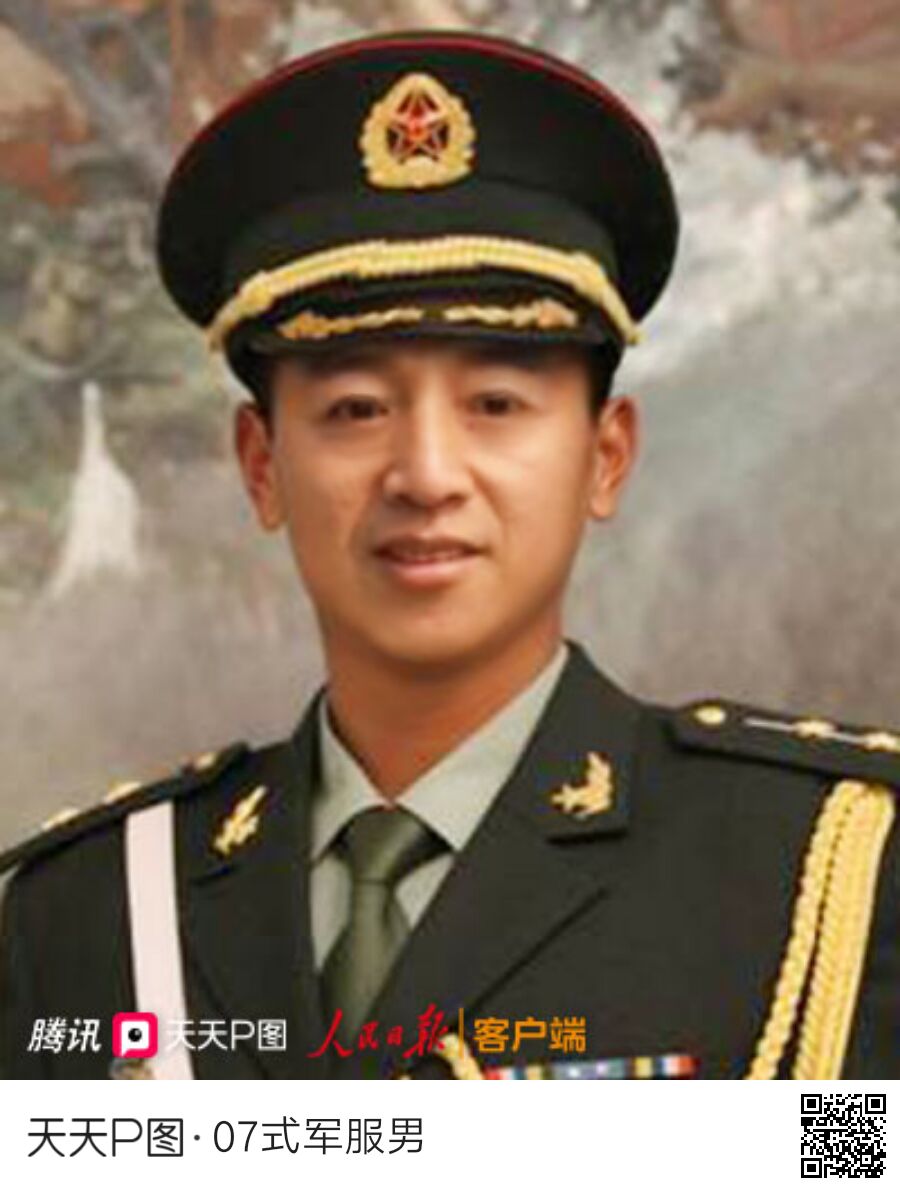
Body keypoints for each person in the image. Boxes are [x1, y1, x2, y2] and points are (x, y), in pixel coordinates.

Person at [1, 30, 897, 1082]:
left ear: (605, 457)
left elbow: (844, 1154)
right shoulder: (83, 919)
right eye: (355, 408)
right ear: (261, 465)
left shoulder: (822, 876)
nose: (426, 474)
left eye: (496, 404)